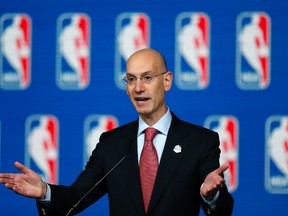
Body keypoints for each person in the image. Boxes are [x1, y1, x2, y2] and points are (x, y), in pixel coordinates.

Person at [0, 48, 234, 216]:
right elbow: (77, 197)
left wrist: (211, 195)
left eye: (147, 78)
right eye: (131, 79)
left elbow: (222, 210)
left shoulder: (200, 142)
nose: (138, 87)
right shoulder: (112, 143)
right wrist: (45, 191)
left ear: (167, 81)